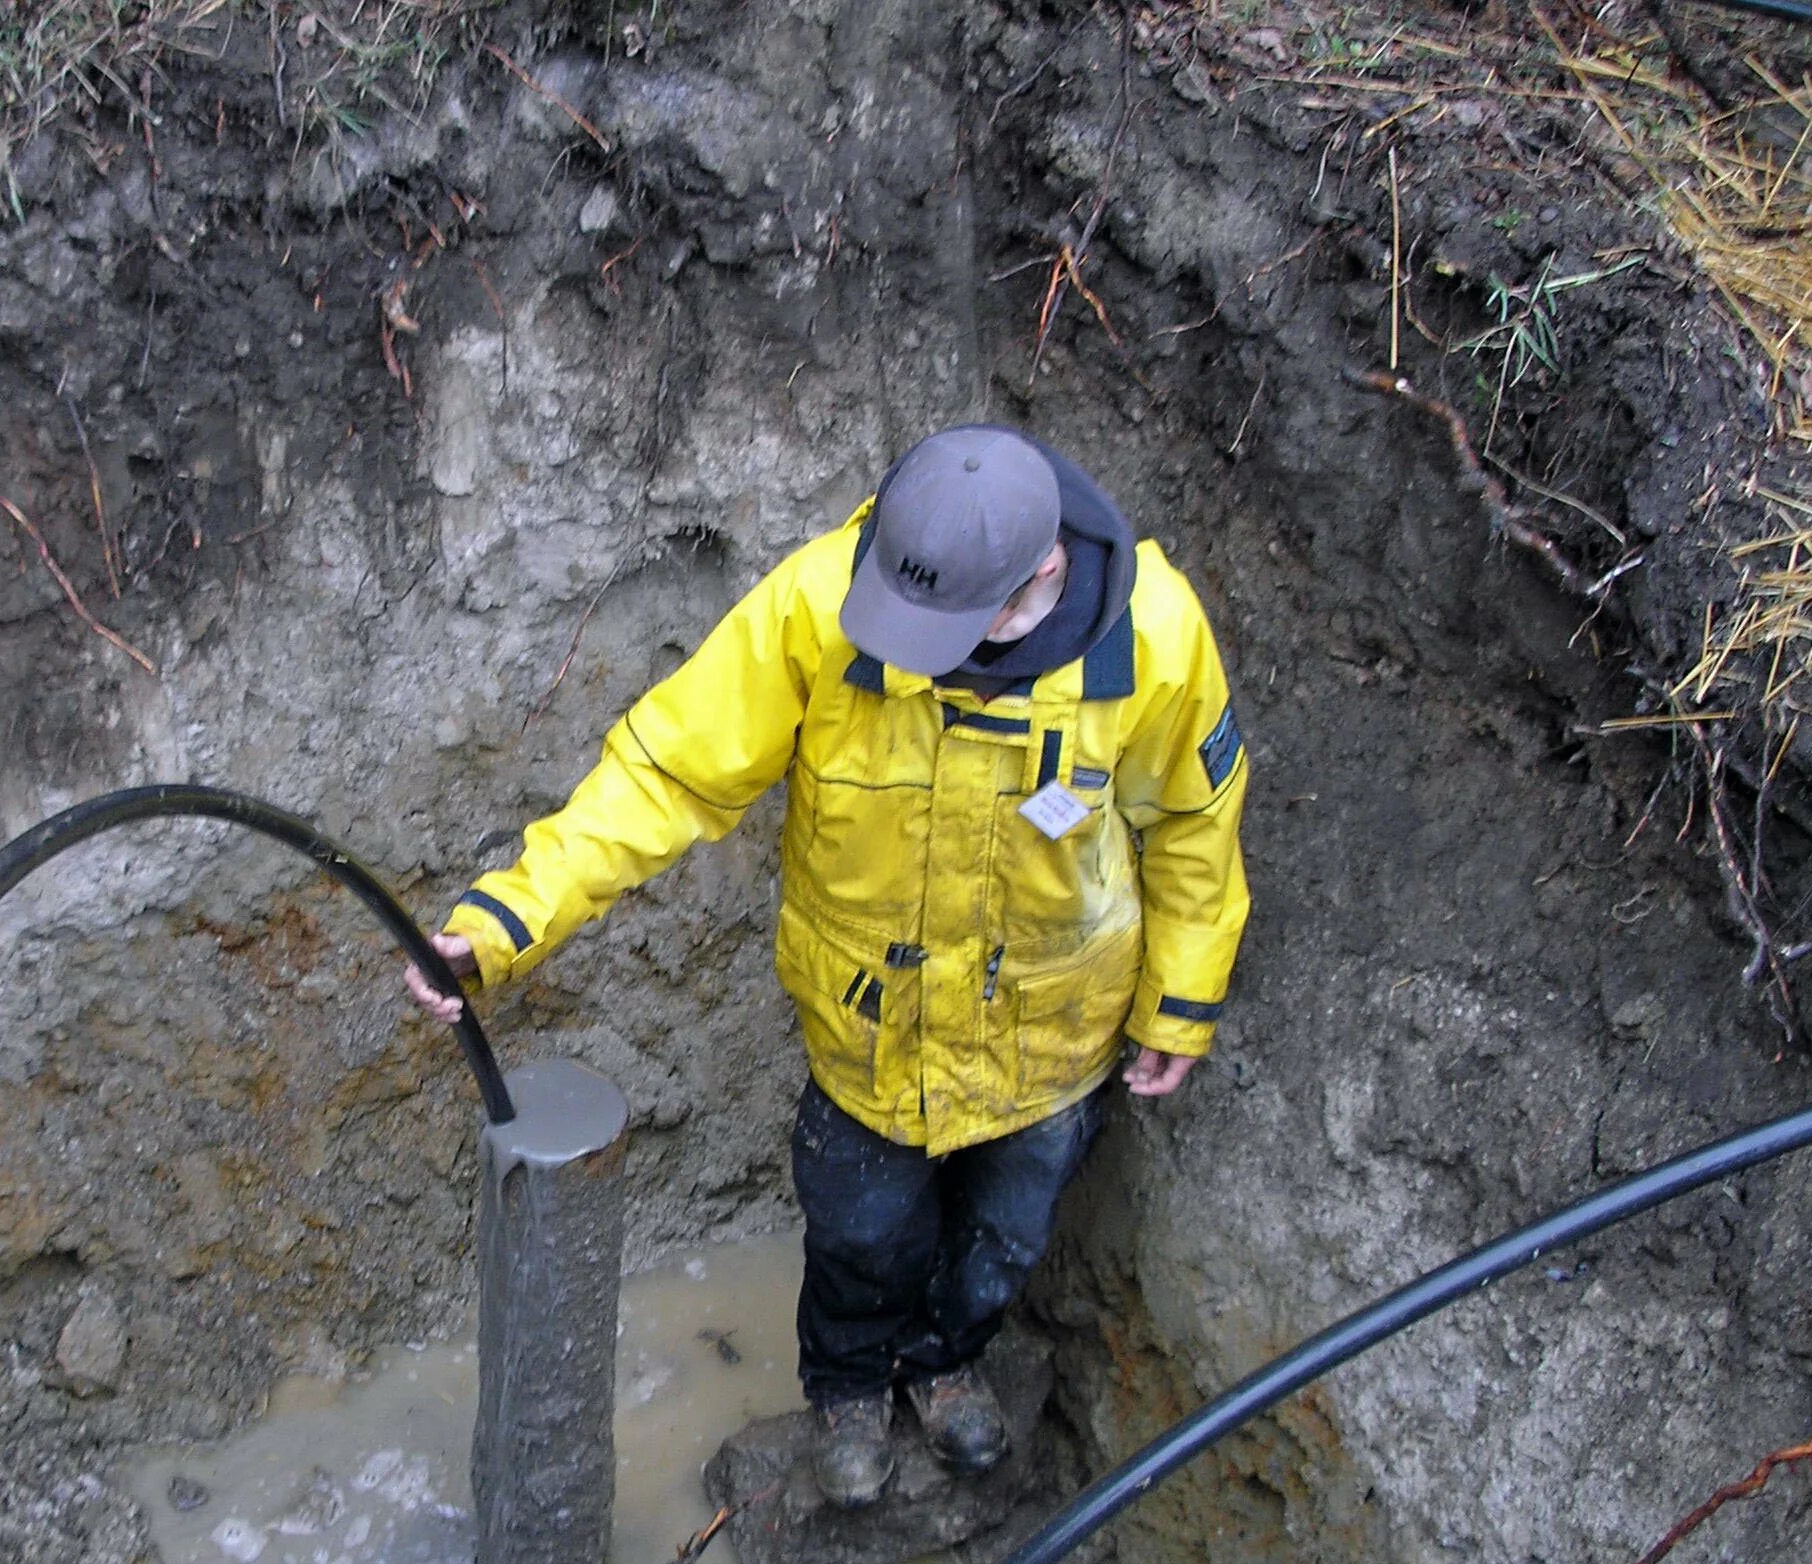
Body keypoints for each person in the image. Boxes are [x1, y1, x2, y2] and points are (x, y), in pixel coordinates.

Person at [405, 426, 1249, 1507]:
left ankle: (943, 1365)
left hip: (1054, 1033)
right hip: (869, 1030)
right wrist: (507, 917)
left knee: (1006, 1235)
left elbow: (1192, 826)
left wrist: (1180, 1003)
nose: (903, 647)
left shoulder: (1155, 641)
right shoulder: (822, 604)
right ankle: (850, 1387)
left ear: (1040, 578)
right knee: (861, 1233)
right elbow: (668, 774)